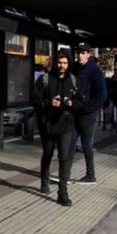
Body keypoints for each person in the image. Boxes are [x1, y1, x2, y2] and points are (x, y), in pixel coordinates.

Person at [32, 51, 83, 206]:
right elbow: (35, 100)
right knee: (47, 154)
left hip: (66, 125)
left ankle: (63, 193)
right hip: (47, 125)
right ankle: (44, 181)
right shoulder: (44, 80)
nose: (62, 66)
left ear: (69, 64)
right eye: (60, 63)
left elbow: (80, 103)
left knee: (64, 157)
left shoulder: (74, 81)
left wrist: (71, 104)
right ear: (55, 63)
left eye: (65, 63)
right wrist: (49, 103)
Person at [71, 43, 106, 184]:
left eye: (83, 52)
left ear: (88, 54)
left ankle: (91, 175)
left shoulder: (95, 71)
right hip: (75, 112)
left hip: (87, 114)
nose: (79, 55)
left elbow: (102, 94)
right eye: (78, 52)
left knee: (86, 145)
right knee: (69, 143)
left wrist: (88, 108)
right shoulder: (75, 68)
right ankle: (64, 174)